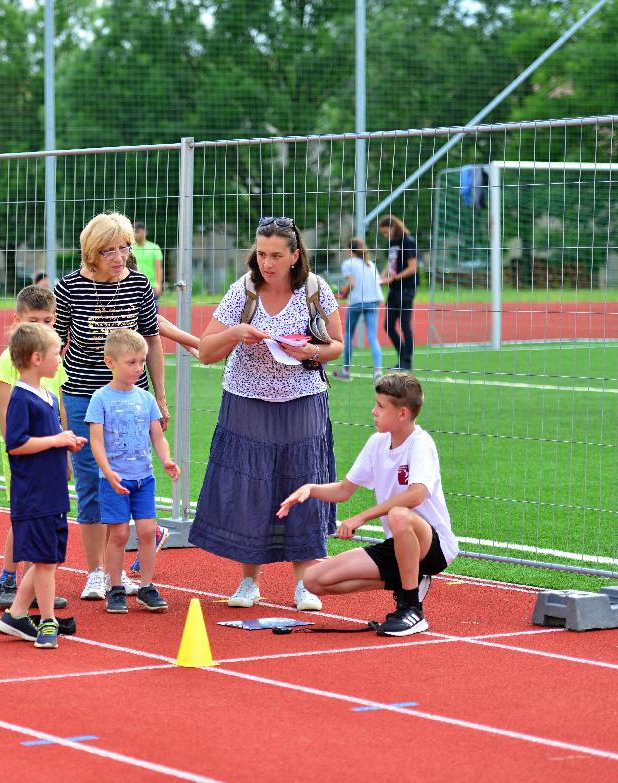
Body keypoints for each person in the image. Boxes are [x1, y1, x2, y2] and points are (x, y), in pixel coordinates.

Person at [191, 215, 344, 611]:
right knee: (250, 485)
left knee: (304, 482)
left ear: (295, 255)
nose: (267, 263)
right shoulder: (242, 293)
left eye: (276, 255)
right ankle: (248, 582)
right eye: (261, 254)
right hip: (246, 401)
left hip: (303, 399)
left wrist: (309, 350)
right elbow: (207, 352)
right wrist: (235, 334)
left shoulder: (315, 289)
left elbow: (337, 346)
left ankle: (305, 583)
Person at [279, 373, 456, 636]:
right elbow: (343, 490)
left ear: (402, 414)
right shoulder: (377, 443)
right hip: (399, 544)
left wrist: (362, 517)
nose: (373, 411)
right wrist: (310, 489)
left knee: (399, 514)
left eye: (380, 406)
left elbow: (416, 494)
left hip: (434, 546)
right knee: (313, 581)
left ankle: (411, 608)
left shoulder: (421, 443)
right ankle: (406, 580)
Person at [54, 211, 169, 601]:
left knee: (129, 480)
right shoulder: (69, 288)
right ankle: (96, 572)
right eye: (109, 250)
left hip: (132, 403)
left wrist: (160, 399)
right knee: (91, 485)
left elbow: (152, 342)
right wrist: (55, 412)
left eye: (124, 248)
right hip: (83, 398)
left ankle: (118, 569)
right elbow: (54, 347)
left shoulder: (139, 285)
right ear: (90, 253)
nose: (120, 256)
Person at [0, 322, 86, 649]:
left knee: (51, 557)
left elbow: (47, 439)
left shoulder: (47, 395)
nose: (61, 358)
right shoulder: (21, 398)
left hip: (52, 493)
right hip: (33, 495)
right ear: (36, 358)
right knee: (45, 560)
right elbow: (16, 444)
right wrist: (55, 439)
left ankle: (16, 614)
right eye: (56, 353)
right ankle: (47, 621)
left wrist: (66, 443)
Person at [87, 329, 179, 614]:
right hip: (114, 481)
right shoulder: (100, 399)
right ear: (110, 362)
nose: (139, 368)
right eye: (132, 362)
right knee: (118, 535)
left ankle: (147, 586)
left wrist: (166, 459)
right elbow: (96, 441)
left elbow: (157, 436)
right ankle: (115, 586)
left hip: (144, 478)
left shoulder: (146, 399)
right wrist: (107, 472)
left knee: (148, 531)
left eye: (142, 362)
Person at [0, 285, 69, 609]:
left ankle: (36, 583)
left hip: (51, 449)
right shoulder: (11, 360)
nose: (42, 327)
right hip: (24, 454)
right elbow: (7, 416)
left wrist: (63, 447)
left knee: (44, 518)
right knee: (25, 517)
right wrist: (19, 450)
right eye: (33, 321)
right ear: (16, 321)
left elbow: (59, 405)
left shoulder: (52, 357)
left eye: (47, 321)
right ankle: (8, 579)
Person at [334, 237, 384, 382]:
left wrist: (342, 293)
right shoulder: (369, 264)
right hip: (373, 301)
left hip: (357, 302)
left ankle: (346, 370)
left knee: (349, 334)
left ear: (350, 250)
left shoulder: (348, 263)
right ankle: (378, 371)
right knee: (373, 336)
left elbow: (352, 283)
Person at [378, 215, 418, 371]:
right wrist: (381, 277)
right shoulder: (391, 244)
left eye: (386, 232)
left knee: (405, 324)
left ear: (393, 227)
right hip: (394, 289)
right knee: (388, 325)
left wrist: (394, 278)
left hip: (407, 288)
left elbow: (412, 267)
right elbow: (390, 265)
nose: (385, 235)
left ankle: (407, 362)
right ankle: (403, 358)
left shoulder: (408, 241)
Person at [130, 221, 164, 298]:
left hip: (150, 285)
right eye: (133, 231)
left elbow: (158, 268)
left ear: (145, 232)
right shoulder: (130, 248)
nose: (134, 233)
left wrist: (158, 285)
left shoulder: (154, 247)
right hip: (133, 285)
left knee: (152, 309)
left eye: (137, 231)